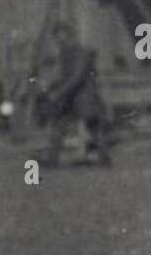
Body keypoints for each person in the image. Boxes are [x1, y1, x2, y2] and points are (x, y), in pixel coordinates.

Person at [40, 21, 111, 167]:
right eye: (57, 37)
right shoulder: (66, 53)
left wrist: (59, 92)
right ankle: (52, 159)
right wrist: (52, 87)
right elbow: (65, 76)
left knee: (93, 128)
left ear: (69, 35)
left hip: (83, 96)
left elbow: (76, 77)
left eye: (62, 36)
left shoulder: (80, 52)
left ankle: (104, 158)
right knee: (59, 125)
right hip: (71, 97)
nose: (59, 40)